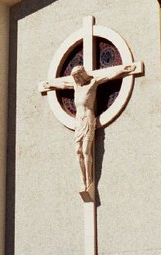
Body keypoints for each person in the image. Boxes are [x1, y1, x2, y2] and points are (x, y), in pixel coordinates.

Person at [39, 62, 136, 197]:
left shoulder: (93, 83)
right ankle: (82, 179)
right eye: (74, 77)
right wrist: (49, 84)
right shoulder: (75, 86)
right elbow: (63, 84)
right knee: (78, 151)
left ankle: (89, 180)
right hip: (78, 121)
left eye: (77, 76)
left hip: (88, 119)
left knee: (85, 150)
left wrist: (123, 69)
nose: (76, 79)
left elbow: (108, 76)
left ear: (82, 75)